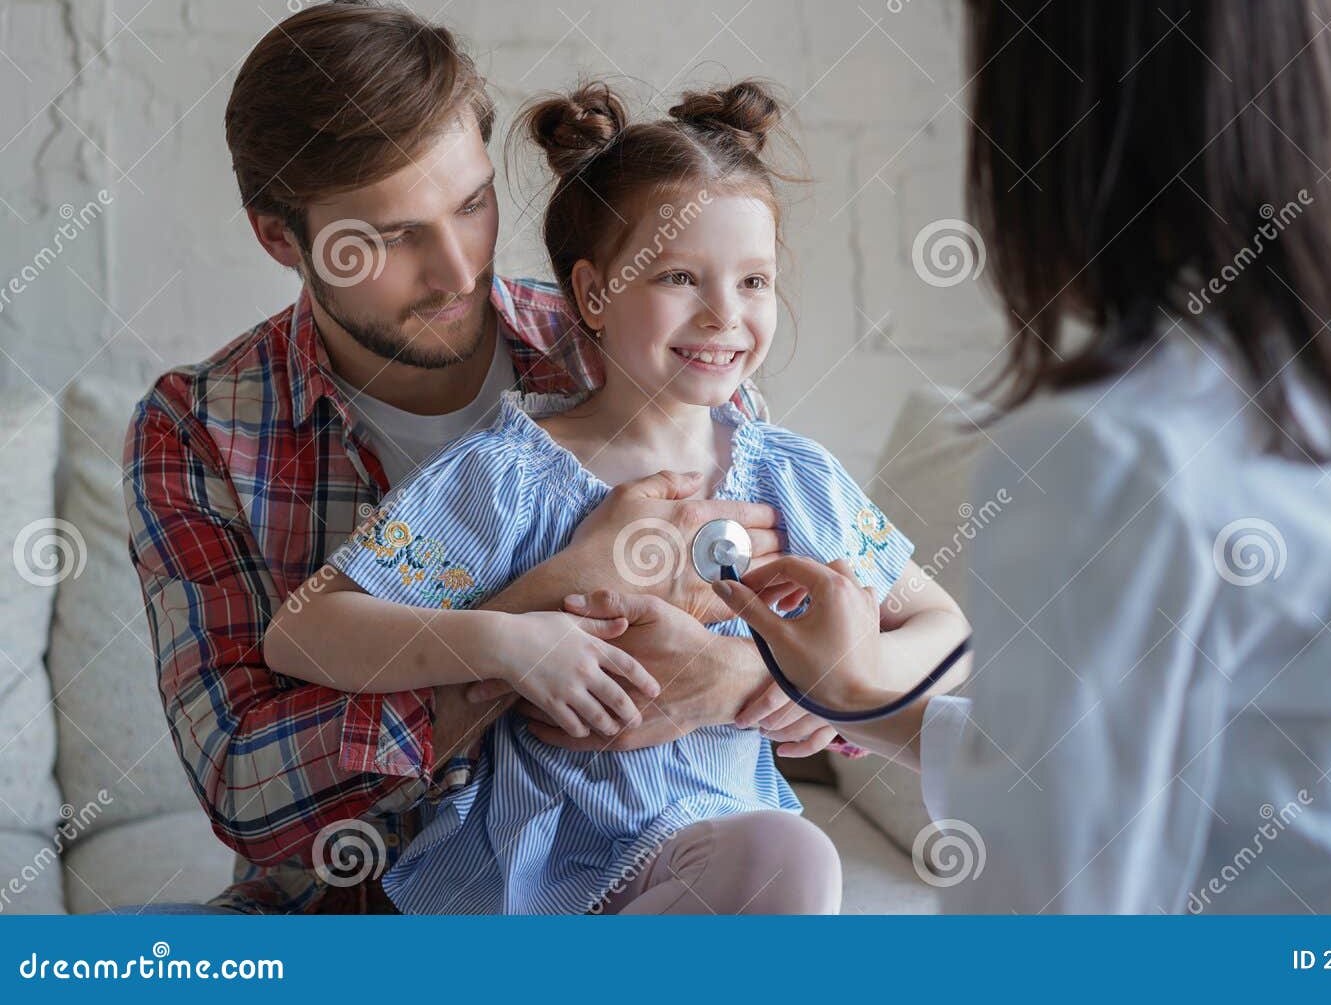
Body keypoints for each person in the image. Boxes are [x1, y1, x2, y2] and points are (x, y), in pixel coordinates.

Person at [708, 0, 1331, 914]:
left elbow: (1053, 912)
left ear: (1059, 115)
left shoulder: (1107, 448)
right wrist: (859, 699)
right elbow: (1125, 768)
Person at [114, 0, 808, 914]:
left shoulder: (636, 337)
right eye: (392, 237)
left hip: (646, 863)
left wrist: (742, 678)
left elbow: (837, 655)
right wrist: (539, 607)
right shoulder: (199, 429)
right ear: (281, 238)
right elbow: (248, 787)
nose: (457, 270)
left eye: (472, 204)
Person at [262, 80, 969, 914]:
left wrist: (840, 682)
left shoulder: (794, 476)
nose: (723, 314)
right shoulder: (506, 473)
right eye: (680, 276)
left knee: (794, 859)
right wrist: (506, 642)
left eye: (753, 281)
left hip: (720, 850)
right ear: (594, 293)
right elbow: (302, 633)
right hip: (538, 871)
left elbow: (945, 628)